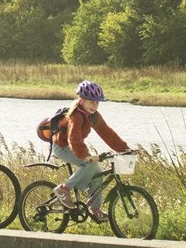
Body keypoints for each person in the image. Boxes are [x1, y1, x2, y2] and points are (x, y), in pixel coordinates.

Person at [50, 80, 130, 222]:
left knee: (98, 173)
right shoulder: (76, 115)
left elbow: (108, 134)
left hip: (73, 146)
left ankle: (95, 210)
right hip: (61, 146)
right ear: (82, 100)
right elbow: (73, 139)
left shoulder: (93, 116)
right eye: (91, 102)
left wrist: (126, 149)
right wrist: (86, 157)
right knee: (90, 165)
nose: (95, 105)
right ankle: (64, 189)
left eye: (97, 102)